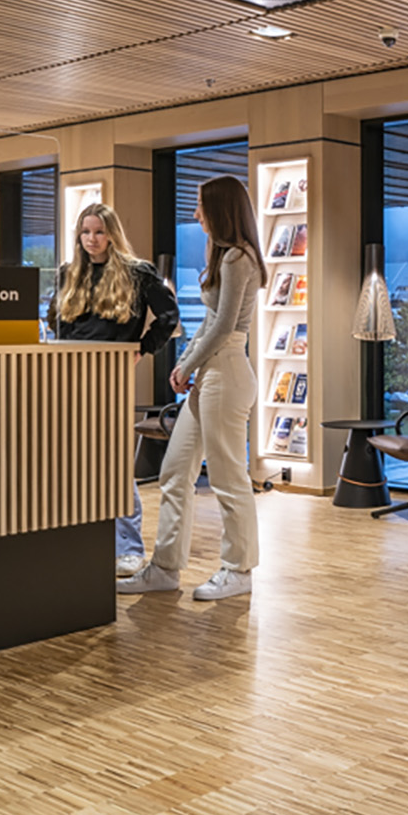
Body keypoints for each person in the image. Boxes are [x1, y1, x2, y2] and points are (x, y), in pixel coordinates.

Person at [119, 175, 266, 599]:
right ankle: (165, 568)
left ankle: (239, 570)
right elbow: (209, 322)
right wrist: (186, 363)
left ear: (220, 208)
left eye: (201, 205)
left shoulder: (239, 258)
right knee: (174, 471)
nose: (196, 213)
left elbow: (224, 327)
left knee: (227, 477)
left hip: (227, 373)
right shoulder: (223, 256)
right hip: (210, 374)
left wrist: (190, 364)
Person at [51, 203, 180, 578]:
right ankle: (79, 540)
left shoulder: (138, 273)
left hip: (110, 374)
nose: (91, 239)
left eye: (99, 232)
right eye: (85, 232)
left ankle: (128, 548)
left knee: (112, 461)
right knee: (71, 460)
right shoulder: (68, 273)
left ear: (112, 234)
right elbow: (54, 320)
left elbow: (169, 317)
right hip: (67, 373)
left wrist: (141, 349)